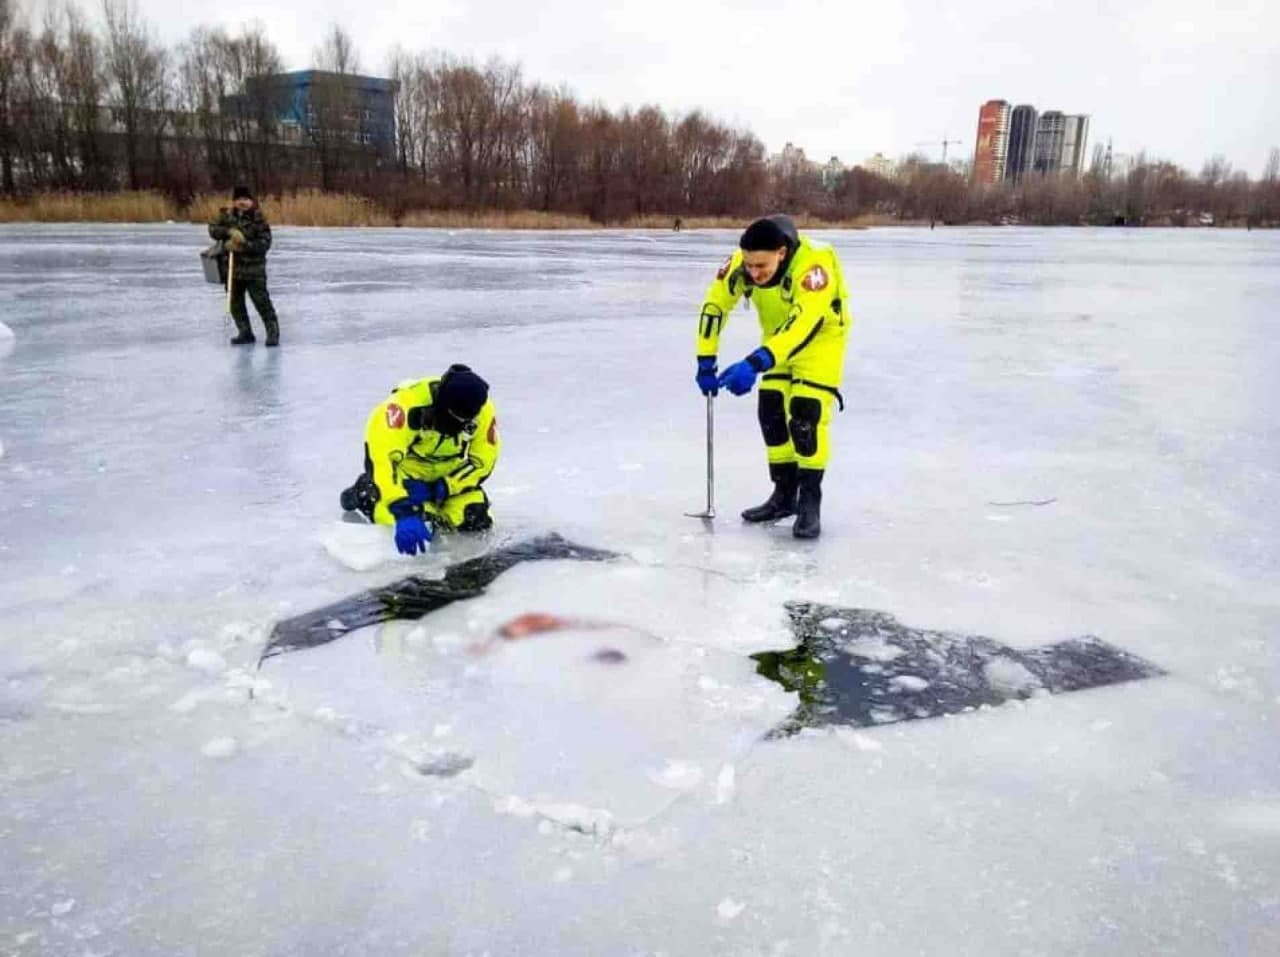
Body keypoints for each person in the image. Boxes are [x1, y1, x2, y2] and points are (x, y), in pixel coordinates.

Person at [694, 214, 852, 539]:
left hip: (819, 341)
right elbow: (714, 306)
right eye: (749, 266)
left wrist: (755, 362)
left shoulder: (814, 265)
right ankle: (783, 495)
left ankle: (809, 501)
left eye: (761, 267)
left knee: (805, 417)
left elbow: (803, 323)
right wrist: (705, 359)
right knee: (771, 410)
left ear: (781, 253)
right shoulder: (742, 262)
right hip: (776, 340)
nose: (754, 273)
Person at [340, 364, 500, 555]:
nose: (462, 425)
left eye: (466, 420)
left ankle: (435, 502)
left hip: (448, 477)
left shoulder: (480, 410)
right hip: (406, 476)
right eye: (456, 418)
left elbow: (482, 462)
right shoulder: (403, 408)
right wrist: (403, 511)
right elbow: (382, 461)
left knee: (475, 520)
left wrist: (445, 486)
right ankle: (366, 491)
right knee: (421, 525)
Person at [207, 185, 280, 347]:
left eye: (246, 199)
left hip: (254, 270)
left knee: (262, 302)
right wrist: (228, 234)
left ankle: (273, 333)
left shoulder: (258, 218)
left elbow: (265, 243)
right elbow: (212, 230)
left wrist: (244, 245)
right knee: (235, 303)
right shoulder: (225, 216)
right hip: (232, 270)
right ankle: (245, 332)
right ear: (234, 201)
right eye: (239, 199)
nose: (242, 202)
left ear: (251, 202)